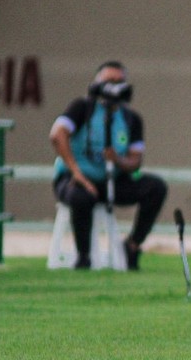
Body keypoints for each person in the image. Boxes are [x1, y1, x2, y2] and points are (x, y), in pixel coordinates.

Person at [49, 61, 168, 271]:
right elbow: (57, 135)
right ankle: (84, 256)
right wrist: (78, 174)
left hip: (112, 181)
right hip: (75, 180)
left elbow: (135, 160)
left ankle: (131, 246)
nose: (113, 87)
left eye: (118, 82)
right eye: (108, 81)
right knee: (81, 197)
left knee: (156, 187)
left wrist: (118, 160)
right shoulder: (82, 108)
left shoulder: (131, 119)